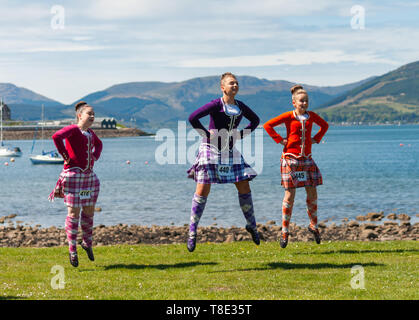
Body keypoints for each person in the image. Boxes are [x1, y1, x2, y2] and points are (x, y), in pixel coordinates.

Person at [186, 72, 261, 252]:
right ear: (223, 87)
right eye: (231, 83)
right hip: (210, 148)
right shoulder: (215, 104)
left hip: (229, 149)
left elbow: (256, 121)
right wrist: (206, 134)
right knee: (203, 187)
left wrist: (240, 134)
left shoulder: (241, 106)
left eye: (236, 83)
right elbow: (192, 118)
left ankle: (252, 225)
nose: (234, 86)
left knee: (243, 184)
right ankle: (192, 231)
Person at [263, 85, 329, 248]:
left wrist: (316, 138)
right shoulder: (288, 116)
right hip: (290, 159)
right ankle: (285, 232)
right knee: (289, 196)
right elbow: (268, 125)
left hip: (307, 159)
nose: (304, 103)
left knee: (312, 192)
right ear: (294, 102)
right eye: (301, 101)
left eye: (306, 100)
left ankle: (313, 225)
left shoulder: (312, 116)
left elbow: (325, 126)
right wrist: (280, 140)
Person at [49, 101, 103, 267]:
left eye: (93, 114)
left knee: (88, 210)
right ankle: (72, 249)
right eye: (89, 114)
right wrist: (64, 154)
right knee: (73, 213)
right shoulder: (73, 129)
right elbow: (56, 136)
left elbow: (99, 145)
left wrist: (94, 158)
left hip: (87, 180)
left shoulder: (90, 133)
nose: (92, 117)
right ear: (80, 116)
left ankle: (87, 242)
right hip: (73, 177)